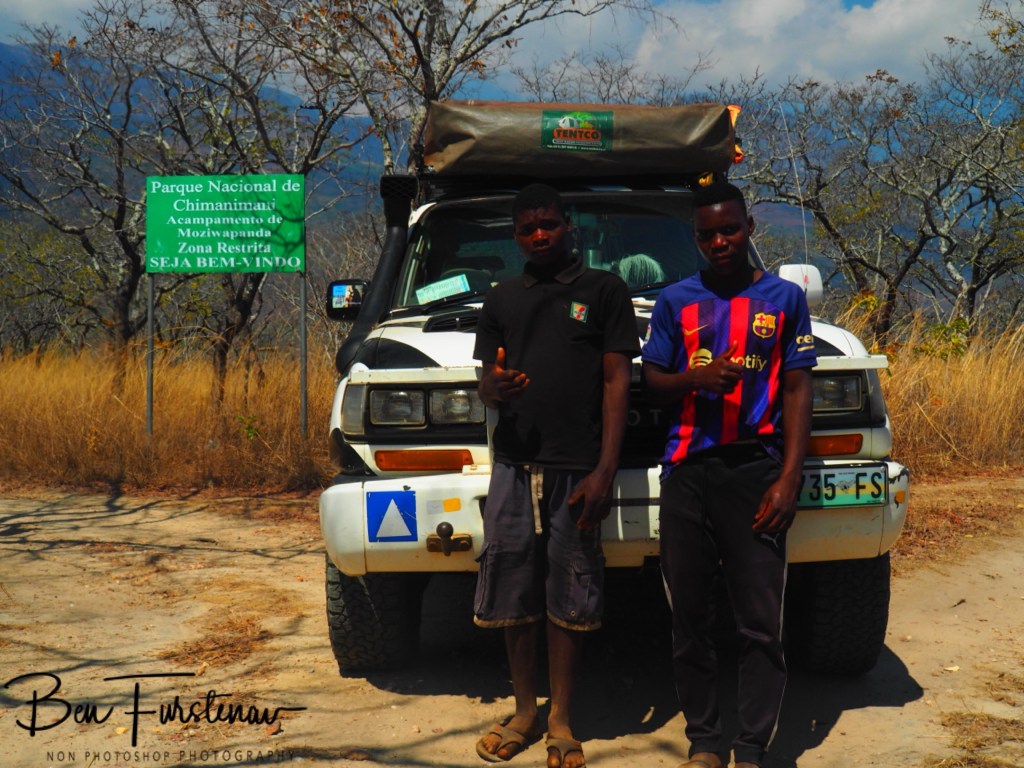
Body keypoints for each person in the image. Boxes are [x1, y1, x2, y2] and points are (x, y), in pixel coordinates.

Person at [641, 182, 817, 768]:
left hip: (756, 472)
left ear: (748, 228)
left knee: (761, 620)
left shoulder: (785, 298)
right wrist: (695, 379)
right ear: (696, 239)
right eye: (707, 234)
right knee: (689, 616)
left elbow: (797, 388)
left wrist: (789, 477)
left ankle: (752, 744)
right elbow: (652, 383)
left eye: (730, 229)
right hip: (687, 472)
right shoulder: (675, 302)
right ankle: (705, 741)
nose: (720, 241)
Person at [473, 183, 639, 768]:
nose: (539, 235)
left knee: (571, 589)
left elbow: (618, 381)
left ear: (570, 226)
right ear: (515, 235)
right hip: (514, 464)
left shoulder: (604, 290)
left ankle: (562, 717)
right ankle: (524, 710)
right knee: (512, 585)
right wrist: (492, 389)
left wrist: (605, 469)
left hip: (579, 467)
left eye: (549, 224)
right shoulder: (500, 300)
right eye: (527, 228)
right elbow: (484, 382)